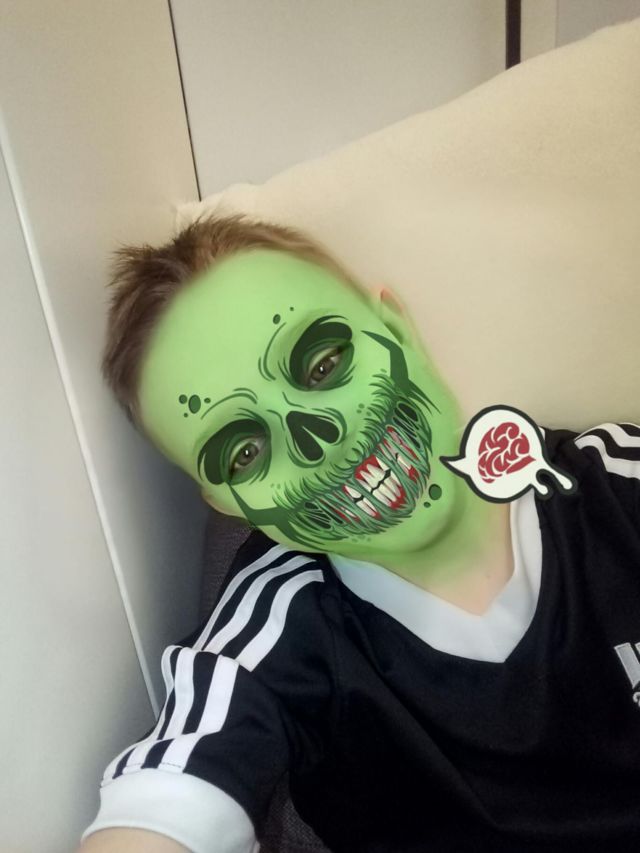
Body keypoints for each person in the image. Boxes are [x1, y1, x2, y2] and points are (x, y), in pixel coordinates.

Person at [80, 214, 640, 853]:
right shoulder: (278, 630)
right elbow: (172, 789)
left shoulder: (615, 487)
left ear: (396, 328)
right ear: (226, 505)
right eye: (245, 452)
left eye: (322, 365)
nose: (318, 442)